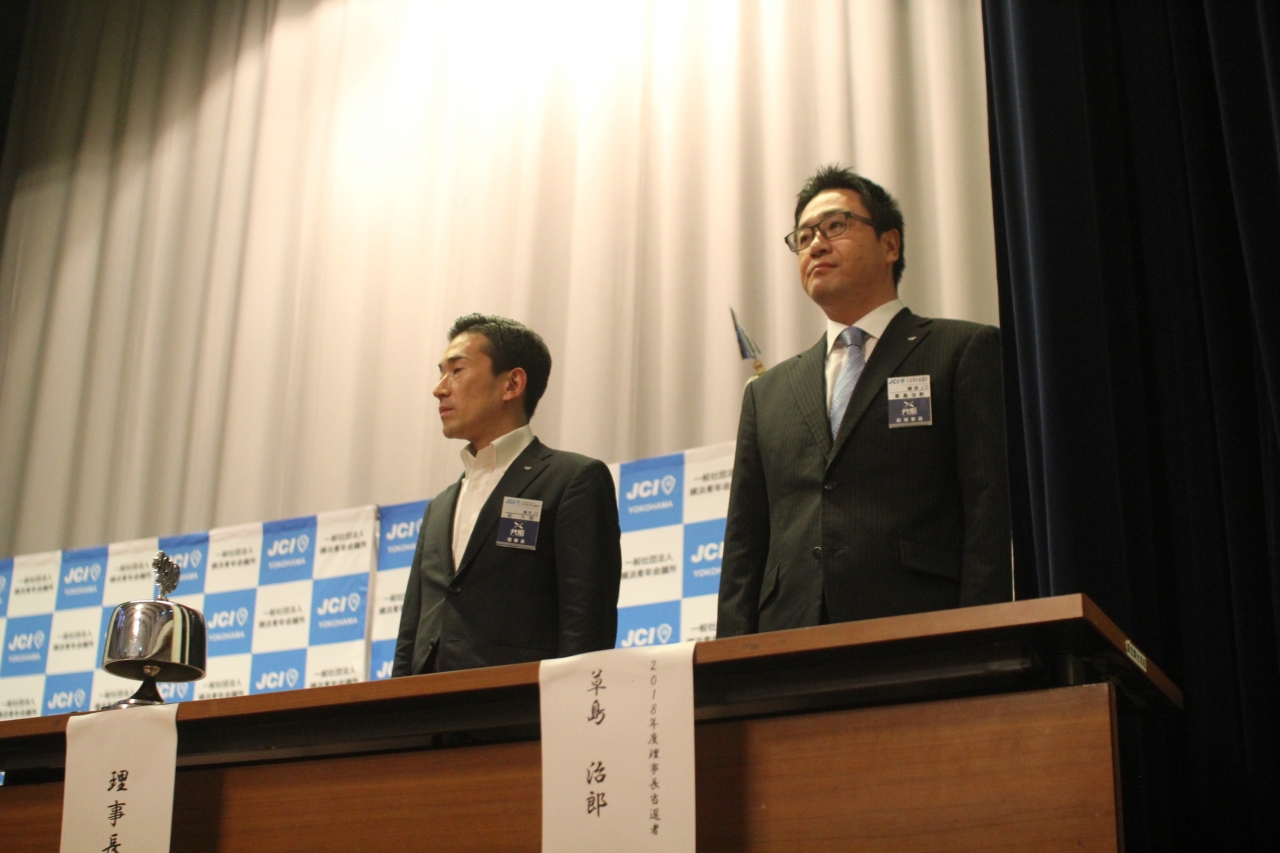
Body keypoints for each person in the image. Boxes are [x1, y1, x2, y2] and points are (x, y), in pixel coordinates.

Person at [716, 166, 1011, 638]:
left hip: (922, 630)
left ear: (890, 245)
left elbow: (988, 512)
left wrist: (982, 639)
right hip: (789, 640)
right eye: (804, 237)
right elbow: (743, 548)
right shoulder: (767, 394)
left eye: (835, 226)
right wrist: (734, 662)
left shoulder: (961, 352)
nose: (816, 245)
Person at [393, 314, 622, 674]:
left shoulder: (572, 480)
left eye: (456, 370)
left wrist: (571, 702)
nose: (439, 389)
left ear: (512, 384)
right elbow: (411, 636)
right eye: (441, 373)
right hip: (431, 703)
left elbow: (587, 623)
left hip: (519, 703)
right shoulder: (439, 507)